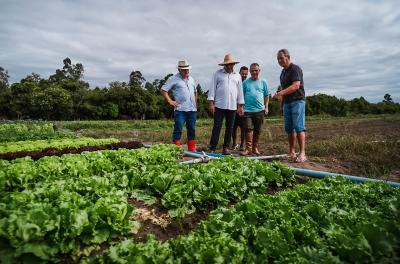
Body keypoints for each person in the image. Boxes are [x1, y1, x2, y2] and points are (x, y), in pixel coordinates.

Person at [273, 49, 307, 162]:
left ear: (288, 57)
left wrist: (280, 93)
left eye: (281, 58)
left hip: (297, 101)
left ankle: (302, 153)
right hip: (287, 103)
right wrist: (281, 105)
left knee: (299, 127)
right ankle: (292, 152)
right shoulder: (282, 73)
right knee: (289, 129)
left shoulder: (295, 69)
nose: (280, 60)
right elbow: (284, 90)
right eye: (278, 59)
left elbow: (296, 85)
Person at [208, 54, 244, 154]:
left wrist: (240, 105)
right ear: (224, 65)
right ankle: (212, 147)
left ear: (233, 64)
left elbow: (240, 91)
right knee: (217, 126)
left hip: (232, 106)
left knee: (230, 127)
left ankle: (226, 148)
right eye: (227, 64)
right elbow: (212, 89)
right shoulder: (217, 74)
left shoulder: (237, 76)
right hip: (219, 105)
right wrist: (211, 103)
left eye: (231, 64)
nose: (229, 66)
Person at [161, 59, 197, 151]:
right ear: (179, 70)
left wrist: (195, 103)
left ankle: (192, 149)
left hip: (192, 110)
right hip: (180, 109)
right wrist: (170, 101)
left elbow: (195, 92)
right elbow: (163, 90)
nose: (186, 71)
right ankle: (176, 149)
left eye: (187, 69)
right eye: (184, 69)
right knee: (178, 128)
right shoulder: (173, 79)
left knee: (192, 129)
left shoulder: (192, 79)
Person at [240, 63, 269, 156]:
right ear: (250, 71)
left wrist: (266, 106)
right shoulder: (245, 83)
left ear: (259, 71)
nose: (254, 72)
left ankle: (254, 148)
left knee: (257, 130)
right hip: (247, 110)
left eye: (256, 70)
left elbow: (266, 95)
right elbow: (241, 96)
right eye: (252, 71)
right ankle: (248, 149)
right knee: (248, 129)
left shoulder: (263, 82)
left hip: (260, 110)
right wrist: (241, 107)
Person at [231, 66, 248, 151]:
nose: (244, 75)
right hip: (234, 109)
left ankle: (242, 144)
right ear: (239, 73)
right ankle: (234, 144)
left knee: (243, 128)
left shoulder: (247, 84)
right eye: (243, 74)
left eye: (246, 74)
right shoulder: (236, 81)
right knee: (233, 128)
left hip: (243, 109)